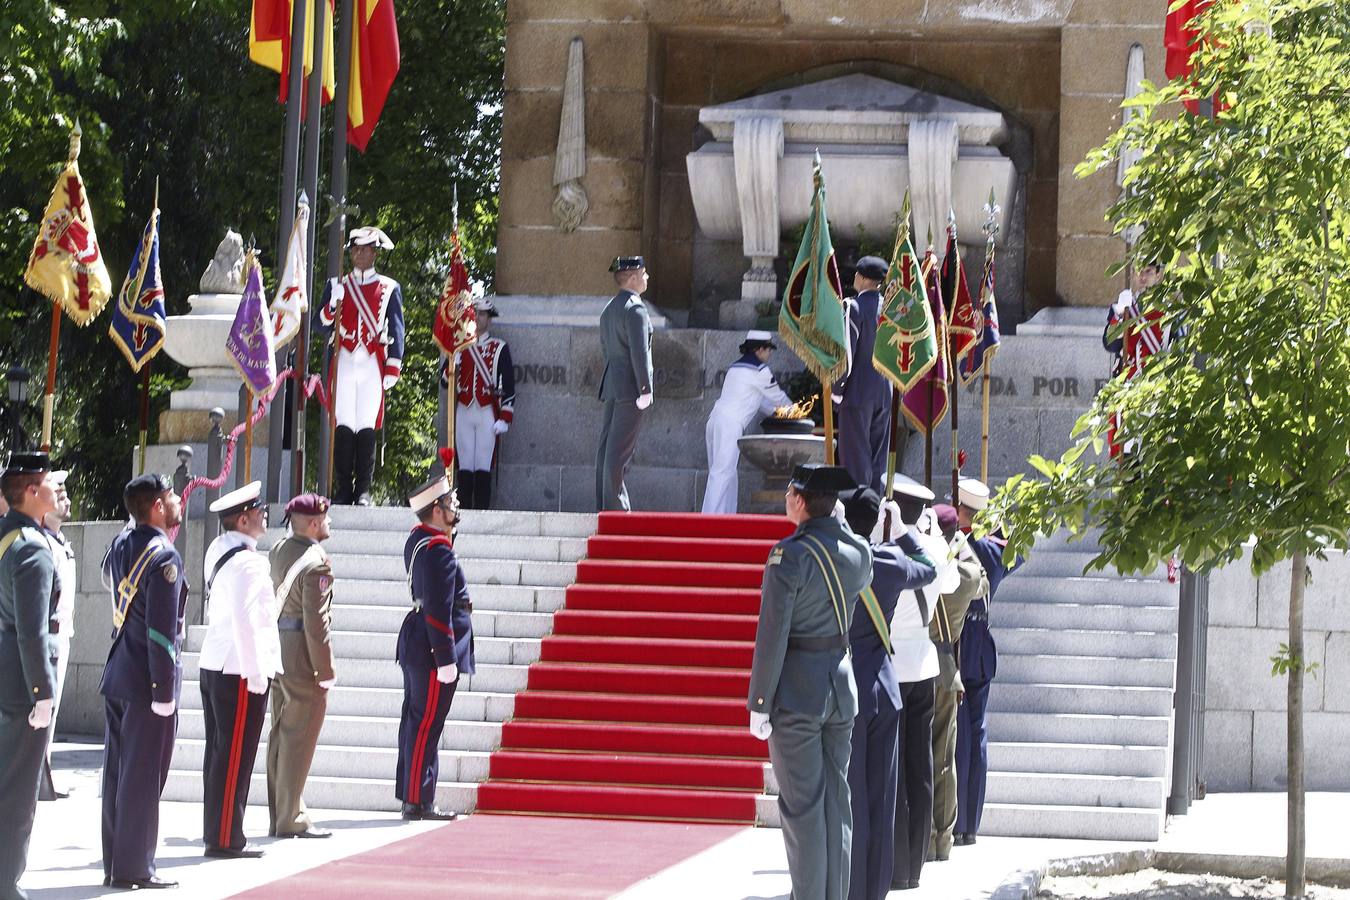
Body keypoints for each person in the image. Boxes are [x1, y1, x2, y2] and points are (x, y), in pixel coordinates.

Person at [747, 463, 871, 900]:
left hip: (799, 694)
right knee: (837, 805)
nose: (785, 499)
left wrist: (759, 701)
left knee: (803, 811)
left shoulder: (790, 555)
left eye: (788, 493)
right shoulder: (859, 552)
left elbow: (773, 633)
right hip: (840, 684)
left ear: (800, 501)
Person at [841, 487, 935, 900]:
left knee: (851, 796)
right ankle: (874, 891)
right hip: (883, 684)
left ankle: (850, 885)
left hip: (844, 685)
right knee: (881, 798)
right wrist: (902, 532)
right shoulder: (891, 560)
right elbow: (929, 567)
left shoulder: (837, 558)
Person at [99, 473, 187, 890]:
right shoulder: (165, 557)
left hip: (118, 672)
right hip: (146, 681)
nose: (177, 502)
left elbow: (107, 579)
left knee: (117, 774)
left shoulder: (121, 544)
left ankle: (116, 861)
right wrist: (164, 691)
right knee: (143, 776)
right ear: (157, 507)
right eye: (171, 496)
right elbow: (160, 632)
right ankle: (135, 868)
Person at [199, 481, 282, 858]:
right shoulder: (248, 562)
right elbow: (247, 621)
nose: (265, 514)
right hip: (238, 668)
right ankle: (226, 837)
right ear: (244, 519)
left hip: (216, 663)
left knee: (219, 754)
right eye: (259, 510)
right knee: (235, 756)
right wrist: (256, 673)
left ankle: (219, 831)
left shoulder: (220, 550)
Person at [884, 475, 958, 892]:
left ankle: (896, 864)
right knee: (921, 769)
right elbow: (946, 584)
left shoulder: (888, 549)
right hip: (925, 666)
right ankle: (915, 864)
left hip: (894, 665)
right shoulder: (933, 548)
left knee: (894, 769)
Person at [398, 456, 475, 820]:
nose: (454, 505)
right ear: (435, 510)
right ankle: (418, 799)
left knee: (417, 721)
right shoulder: (438, 550)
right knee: (426, 724)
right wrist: (445, 657)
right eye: (449, 503)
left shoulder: (419, 540)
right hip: (432, 648)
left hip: (417, 640)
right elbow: (439, 608)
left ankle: (414, 794)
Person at [0, 452, 59, 900]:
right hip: (21, 687)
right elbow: (32, 631)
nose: (57, 489)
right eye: (50, 483)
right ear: (32, 492)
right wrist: (43, 692)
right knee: (17, 797)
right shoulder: (33, 548)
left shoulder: (6, 537)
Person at [266, 493, 337, 839]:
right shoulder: (317, 563)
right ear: (313, 523)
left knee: (280, 731)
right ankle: (290, 817)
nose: (329, 523)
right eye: (325, 518)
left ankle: (279, 812)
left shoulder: (279, 548)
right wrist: (325, 669)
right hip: (300, 654)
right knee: (299, 734)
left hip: (277, 645)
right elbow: (316, 621)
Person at [953, 477, 1019, 847]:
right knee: (975, 735)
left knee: (955, 734)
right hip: (980, 649)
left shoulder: (951, 545)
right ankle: (969, 823)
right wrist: (993, 523)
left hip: (956, 646)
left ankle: (954, 817)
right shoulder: (992, 550)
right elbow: (1017, 550)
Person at [320, 225, 406, 505]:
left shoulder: (389, 287)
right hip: (344, 358)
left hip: (371, 361)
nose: (359, 254)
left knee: (366, 424)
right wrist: (331, 306)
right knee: (344, 421)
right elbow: (322, 326)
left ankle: (364, 490)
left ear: (374, 253)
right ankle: (344, 488)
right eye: (355, 249)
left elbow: (396, 327)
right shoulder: (336, 285)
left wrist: (394, 365)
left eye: (365, 250)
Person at [927, 502, 988, 863]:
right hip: (946, 666)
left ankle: (921, 833)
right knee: (943, 759)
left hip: (916, 663)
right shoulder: (965, 576)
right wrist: (958, 542)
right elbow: (979, 576)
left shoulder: (921, 564)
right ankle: (942, 837)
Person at [701, 331, 792, 515]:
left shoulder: (736, 367)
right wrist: (796, 410)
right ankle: (708, 521)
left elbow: (760, 403)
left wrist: (780, 412)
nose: (769, 354)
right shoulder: (760, 371)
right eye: (768, 350)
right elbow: (778, 398)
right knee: (722, 474)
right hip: (730, 425)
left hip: (715, 420)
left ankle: (725, 518)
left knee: (725, 474)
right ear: (759, 350)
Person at [596, 255, 654, 512]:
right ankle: (616, 510)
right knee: (618, 453)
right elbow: (639, 353)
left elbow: (607, 349)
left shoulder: (610, 308)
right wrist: (645, 388)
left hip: (613, 384)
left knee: (607, 449)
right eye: (644, 273)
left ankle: (605, 505)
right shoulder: (635, 309)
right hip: (631, 388)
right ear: (632, 277)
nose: (647, 277)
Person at [452, 293, 515, 510]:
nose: (478, 318)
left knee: (483, 462)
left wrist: (505, 418)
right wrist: (453, 364)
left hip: (488, 411)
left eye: (482, 314)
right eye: (474, 314)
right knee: (465, 462)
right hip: (464, 409)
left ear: (489, 319)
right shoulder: (459, 347)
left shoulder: (499, 347)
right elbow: (445, 382)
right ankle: (463, 509)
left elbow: (508, 384)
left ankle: (481, 510)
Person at [837, 256, 893, 495]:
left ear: (860, 277)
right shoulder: (891, 309)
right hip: (885, 392)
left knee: (855, 461)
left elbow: (846, 353)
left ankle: (857, 518)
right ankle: (876, 515)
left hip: (857, 392)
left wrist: (837, 392)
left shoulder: (854, 307)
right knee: (878, 461)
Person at [38, 469, 73, 801]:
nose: (66, 500)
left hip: (62, 636)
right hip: (47, 637)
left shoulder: (60, 542)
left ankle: (43, 779)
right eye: (58, 496)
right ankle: (37, 780)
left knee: (53, 711)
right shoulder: (40, 545)